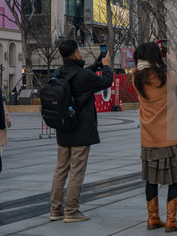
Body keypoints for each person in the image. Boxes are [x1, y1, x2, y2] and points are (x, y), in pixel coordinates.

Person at [50, 39, 114, 223]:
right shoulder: (84, 76)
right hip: (81, 130)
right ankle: (71, 211)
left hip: (63, 129)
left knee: (60, 170)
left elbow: (83, 74)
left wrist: (96, 64)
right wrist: (107, 66)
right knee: (77, 171)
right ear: (76, 54)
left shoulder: (58, 73)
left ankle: (55, 210)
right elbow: (106, 81)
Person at [133, 42, 177, 232]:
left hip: (149, 138)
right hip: (170, 136)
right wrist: (173, 60)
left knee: (151, 180)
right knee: (175, 180)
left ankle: (153, 218)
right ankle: (171, 221)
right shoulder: (166, 75)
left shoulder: (136, 78)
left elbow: (141, 68)